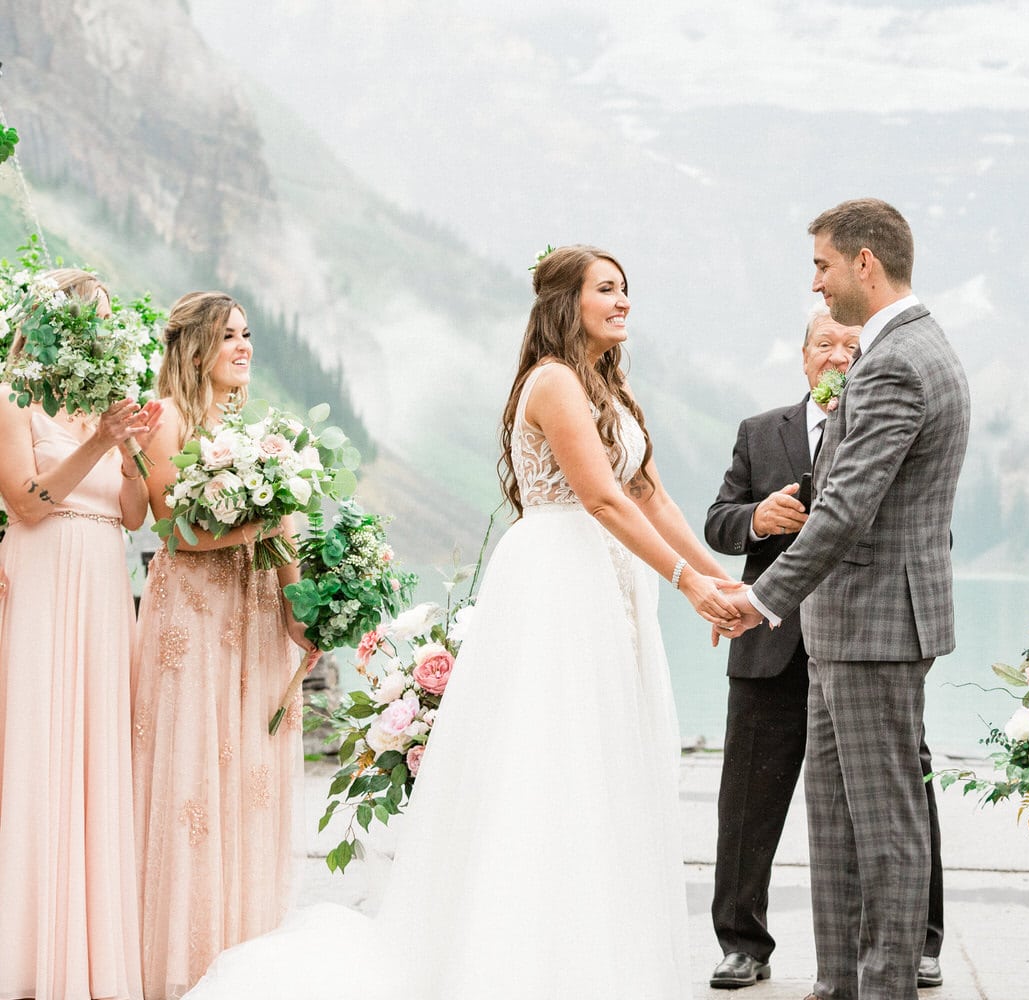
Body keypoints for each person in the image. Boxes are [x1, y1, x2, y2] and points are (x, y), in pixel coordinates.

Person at [181, 245, 740, 1000]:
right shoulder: (552, 383)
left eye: (626, 289)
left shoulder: (611, 385)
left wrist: (717, 580)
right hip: (557, 582)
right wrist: (685, 584)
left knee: (607, 763)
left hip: (609, 587)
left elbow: (651, 494)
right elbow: (603, 500)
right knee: (550, 765)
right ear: (565, 303)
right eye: (607, 289)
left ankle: (593, 955)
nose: (624, 302)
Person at [719, 199, 970, 1000]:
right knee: (834, 828)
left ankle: (885, 987)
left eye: (823, 265)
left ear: (866, 261)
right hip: (846, 627)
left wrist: (760, 601)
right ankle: (836, 985)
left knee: (885, 830)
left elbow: (847, 506)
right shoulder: (903, 348)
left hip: (875, 626)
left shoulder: (898, 360)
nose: (817, 283)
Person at [131, 292, 317, 999]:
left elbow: (285, 523)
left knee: (251, 777)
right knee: (193, 779)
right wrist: (259, 531)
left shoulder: (254, 430)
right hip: (196, 613)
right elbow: (174, 531)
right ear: (196, 347)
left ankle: (246, 953)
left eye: (248, 334)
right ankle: (181, 965)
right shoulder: (167, 419)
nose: (244, 346)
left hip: (256, 606)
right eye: (229, 336)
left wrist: (304, 617)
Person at [0, 268, 160, 1000]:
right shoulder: (13, 400)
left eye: (105, 317)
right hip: (44, 572)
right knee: (43, 742)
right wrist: (97, 444)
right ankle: (35, 954)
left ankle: (95, 951)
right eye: (88, 316)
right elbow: (27, 503)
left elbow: (132, 515)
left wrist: (129, 456)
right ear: (56, 326)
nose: (99, 329)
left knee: (100, 748)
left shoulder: (104, 409)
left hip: (102, 578)